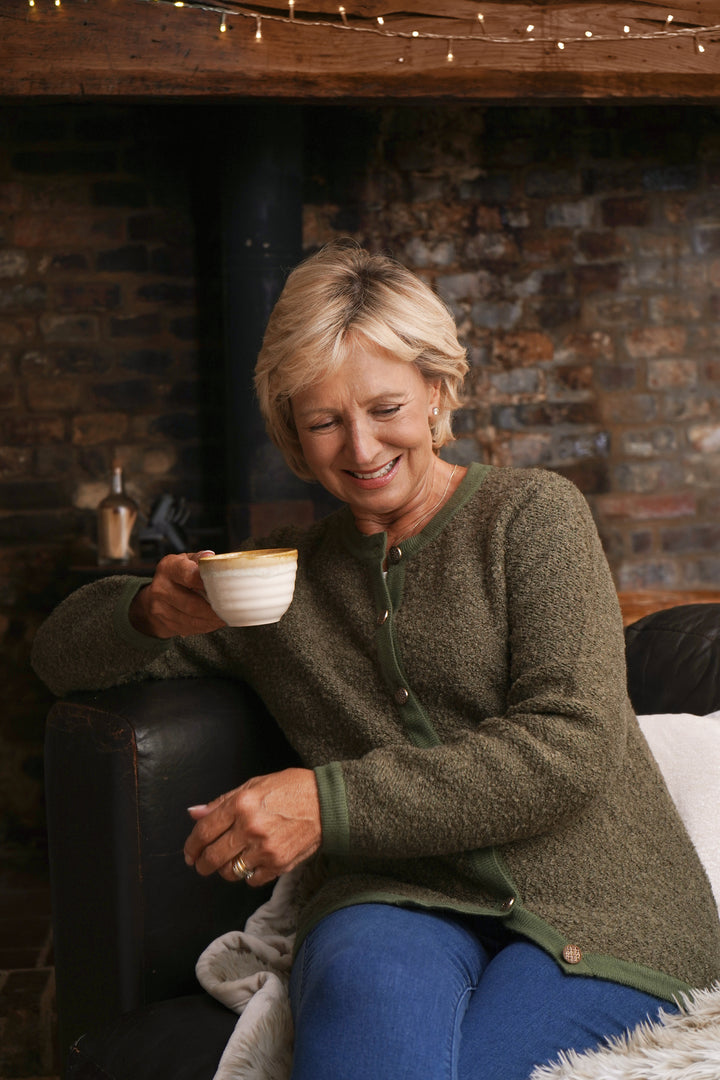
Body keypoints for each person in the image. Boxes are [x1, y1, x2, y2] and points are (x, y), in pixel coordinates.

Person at [32, 240, 720, 1080]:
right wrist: (146, 611)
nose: (360, 449)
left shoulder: (533, 517)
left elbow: (568, 743)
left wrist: (326, 804)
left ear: (435, 391)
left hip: (601, 909)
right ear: (293, 431)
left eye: (385, 407)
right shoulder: (276, 582)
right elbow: (58, 658)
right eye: (324, 422)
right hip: (394, 900)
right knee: (363, 1005)